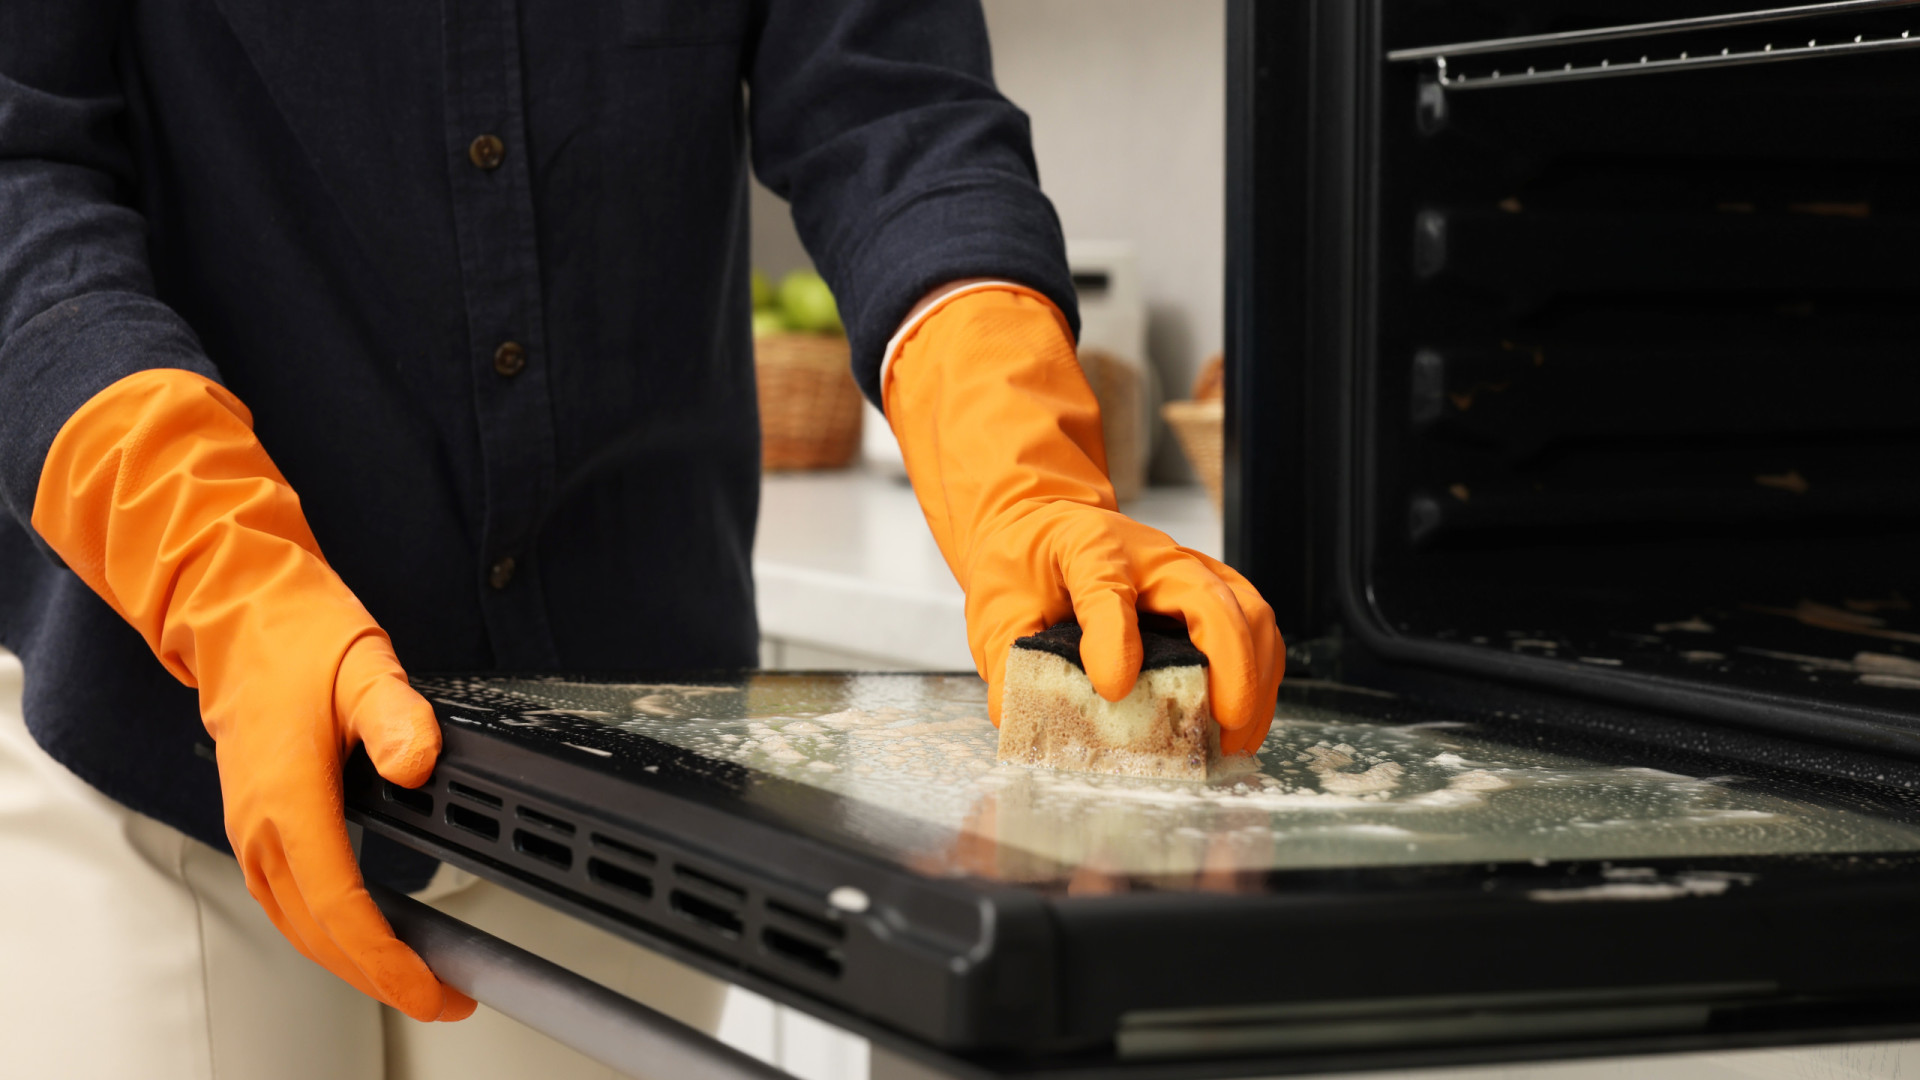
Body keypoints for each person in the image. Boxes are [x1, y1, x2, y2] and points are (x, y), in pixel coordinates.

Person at [0, 1, 1284, 1076]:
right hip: (161, 754)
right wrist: (221, 573)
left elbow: (892, 105)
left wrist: (1027, 480)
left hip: (613, 754)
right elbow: (20, 163)